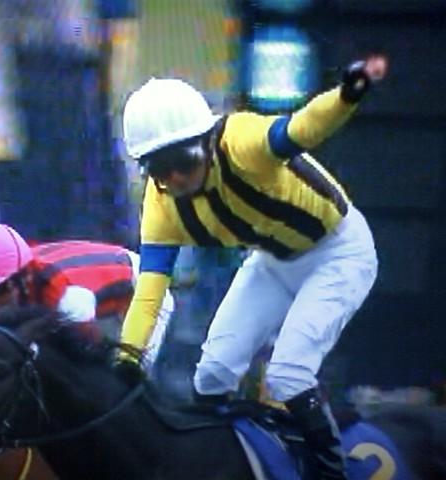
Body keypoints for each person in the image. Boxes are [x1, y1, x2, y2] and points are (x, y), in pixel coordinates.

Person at [116, 56, 387, 479]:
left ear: (208, 141)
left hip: (339, 252)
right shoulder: (160, 202)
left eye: (184, 161)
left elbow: (304, 127)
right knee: (211, 375)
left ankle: (332, 474)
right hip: (272, 261)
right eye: (159, 170)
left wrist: (347, 95)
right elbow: (149, 295)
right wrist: (126, 360)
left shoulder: (242, 142)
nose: (176, 178)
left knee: (288, 375)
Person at [0, 221, 174, 366]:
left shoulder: (68, 299)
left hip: (142, 291)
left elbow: (87, 358)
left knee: (126, 373)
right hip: (93, 300)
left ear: (22, 277)